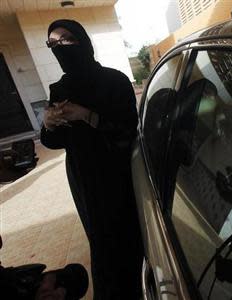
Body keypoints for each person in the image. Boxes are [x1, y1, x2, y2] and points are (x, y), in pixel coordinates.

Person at [40, 20, 142, 299]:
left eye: (66, 40)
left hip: (118, 174)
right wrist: (48, 124)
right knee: (100, 242)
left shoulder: (115, 81)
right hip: (83, 178)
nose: (59, 48)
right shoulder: (60, 88)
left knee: (128, 240)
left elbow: (127, 134)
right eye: (53, 44)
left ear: (83, 41)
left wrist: (88, 116)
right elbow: (56, 142)